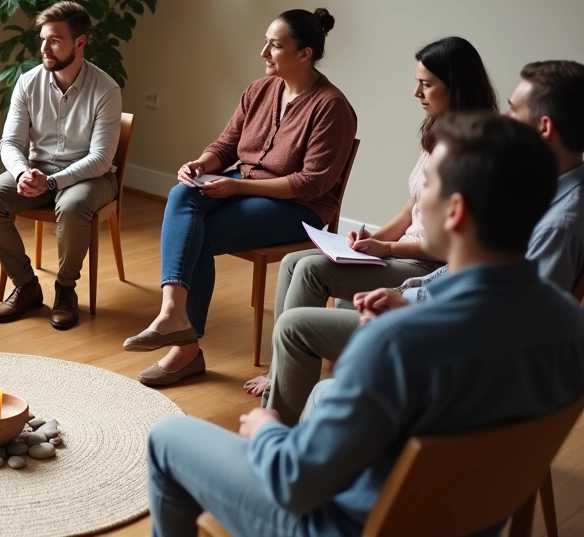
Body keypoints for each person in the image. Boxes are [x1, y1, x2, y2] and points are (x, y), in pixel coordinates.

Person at [146, 113, 584, 537]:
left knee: (167, 438)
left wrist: (266, 431)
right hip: (459, 524)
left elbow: (294, 484)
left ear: (456, 211)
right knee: (322, 392)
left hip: (339, 524)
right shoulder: (570, 325)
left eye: (428, 183)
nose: (418, 196)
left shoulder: (393, 343)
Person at [258, 59, 584, 425]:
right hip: (435, 313)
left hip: (444, 351)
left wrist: (410, 307)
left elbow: (512, 326)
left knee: (298, 332)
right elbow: (486, 283)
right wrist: (410, 292)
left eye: (513, 108)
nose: (505, 118)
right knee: (312, 297)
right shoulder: (542, 190)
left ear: (544, 127)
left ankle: (274, 435)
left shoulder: (557, 221)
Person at [243, 36, 498, 398]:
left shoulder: (474, 149)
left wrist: (388, 248)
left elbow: (451, 246)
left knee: (312, 270)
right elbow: (413, 207)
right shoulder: (441, 132)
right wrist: (372, 240)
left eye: (426, 84)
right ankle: (279, 369)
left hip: (426, 263)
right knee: (291, 262)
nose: (416, 93)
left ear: (456, 87)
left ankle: (284, 391)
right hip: (404, 249)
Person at [125, 8, 357, 386]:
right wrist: (200, 165)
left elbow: (311, 183)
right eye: (265, 42)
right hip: (242, 186)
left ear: (305, 53)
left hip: (299, 208)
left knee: (196, 235)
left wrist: (237, 186)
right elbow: (226, 145)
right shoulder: (259, 90)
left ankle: (184, 350)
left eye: (275, 46)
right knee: (183, 194)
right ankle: (172, 313)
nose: (264, 52)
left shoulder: (331, 107)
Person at [0, 0, 122, 330]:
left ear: (80, 42)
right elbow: (9, 142)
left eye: (54, 40)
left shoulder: (106, 90)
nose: (44, 48)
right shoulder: (28, 82)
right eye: (42, 39)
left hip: (91, 176)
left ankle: (65, 290)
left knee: (72, 205)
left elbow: (100, 159)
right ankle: (26, 285)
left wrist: (53, 183)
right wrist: (23, 172)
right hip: (39, 170)